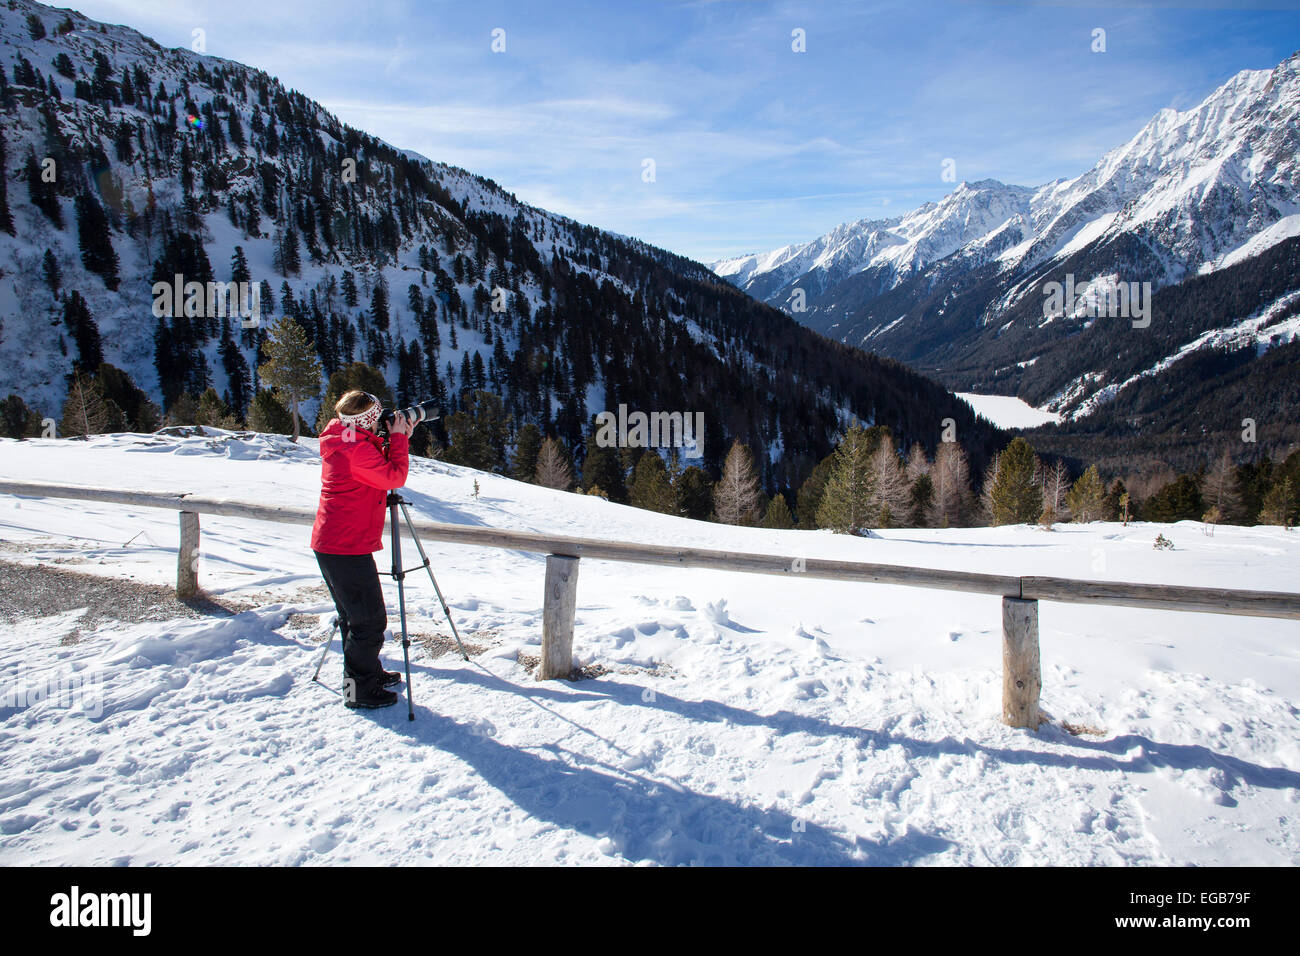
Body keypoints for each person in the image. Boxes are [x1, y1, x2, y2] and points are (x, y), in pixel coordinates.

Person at [311, 390, 414, 709]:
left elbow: (370, 461)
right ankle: (358, 692)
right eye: (377, 414)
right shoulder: (354, 447)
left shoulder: (344, 435)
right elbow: (394, 476)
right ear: (365, 420)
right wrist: (398, 440)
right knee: (368, 621)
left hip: (339, 541)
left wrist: (392, 436)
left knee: (355, 618)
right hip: (344, 545)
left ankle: (365, 676)